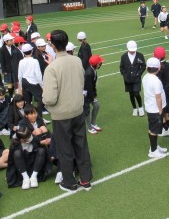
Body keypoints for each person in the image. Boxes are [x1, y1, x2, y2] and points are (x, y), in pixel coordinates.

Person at [42, 29, 93, 192]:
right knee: (81, 145)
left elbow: (49, 98)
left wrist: (46, 103)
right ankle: (85, 179)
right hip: (77, 109)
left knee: (64, 149)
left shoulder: (52, 68)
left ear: (52, 45)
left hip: (61, 114)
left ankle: (69, 182)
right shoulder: (76, 60)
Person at [141, 57, 169, 159]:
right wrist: (160, 110)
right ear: (159, 68)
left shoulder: (145, 77)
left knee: (152, 128)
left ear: (147, 67)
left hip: (150, 107)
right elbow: (158, 97)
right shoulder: (156, 81)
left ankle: (154, 147)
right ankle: (153, 151)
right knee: (154, 130)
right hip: (155, 109)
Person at [7, 125, 48, 190]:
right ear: (21, 140)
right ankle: (25, 178)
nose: (29, 139)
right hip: (22, 168)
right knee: (17, 153)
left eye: (30, 136)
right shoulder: (14, 145)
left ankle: (34, 177)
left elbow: (42, 153)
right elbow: (11, 161)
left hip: (35, 166)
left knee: (41, 150)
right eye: (26, 139)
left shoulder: (34, 138)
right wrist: (10, 175)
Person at [119, 41, 146, 116]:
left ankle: (140, 107)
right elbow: (121, 67)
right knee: (131, 94)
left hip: (137, 78)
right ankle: (134, 108)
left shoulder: (140, 55)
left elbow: (143, 66)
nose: (132, 51)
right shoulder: (123, 56)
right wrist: (124, 75)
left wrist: (138, 73)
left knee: (136, 93)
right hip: (127, 79)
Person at [17, 44, 44, 118]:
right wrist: (42, 85)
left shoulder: (21, 61)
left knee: (27, 101)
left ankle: (29, 117)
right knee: (40, 99)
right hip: (33, 82)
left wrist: (20, 86)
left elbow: (19, 75)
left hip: (24, 81)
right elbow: (38, 74)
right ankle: (39, 117)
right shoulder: (35, 61)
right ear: (31, 51)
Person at [83, 54, 104, 135]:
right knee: (87, 110)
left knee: (97, 106)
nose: (101, 63)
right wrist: (92, 98)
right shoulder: (89, 73)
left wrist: (94, 95)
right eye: (100, 62)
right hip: (85, 94)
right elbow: (88, 87)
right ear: (97, 64)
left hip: (89, 92)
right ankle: (90, 128)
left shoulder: (93, 70)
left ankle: (93, 123)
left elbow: (92, 85)